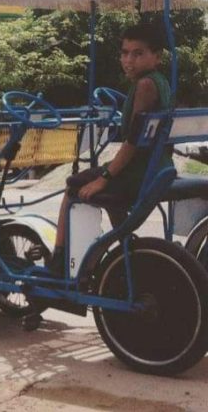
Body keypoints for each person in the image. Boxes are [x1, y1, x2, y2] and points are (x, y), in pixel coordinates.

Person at [50, 22, 173, 273]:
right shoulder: (159, 82)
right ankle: (123, 245)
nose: (129, 60)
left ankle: (59, 261)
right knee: (92, 178)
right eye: (125, 53)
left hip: (139, 172)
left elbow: (132, 143)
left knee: (73, 186)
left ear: (157, 56)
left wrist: (104, 178)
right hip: (158, 166)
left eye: (138, 53)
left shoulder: (145, 86)